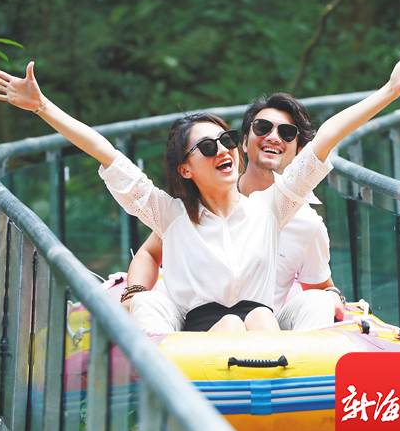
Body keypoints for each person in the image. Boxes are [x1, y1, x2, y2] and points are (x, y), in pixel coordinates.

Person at [0, 50, 400, 332]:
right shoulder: (170, 214)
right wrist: (43, 108)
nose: (223, 149)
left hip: (263, 324)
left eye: (225, 140)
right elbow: (107, 155)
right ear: (185, 169)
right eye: (208, 147)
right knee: (214, 320)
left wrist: (389, 91)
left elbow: (324, 139)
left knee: (264, 317)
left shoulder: (272, 207)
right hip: (201, 331)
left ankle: (294, 399)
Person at [123, 93, 344, 333]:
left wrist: (332, 295)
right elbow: (151, 251)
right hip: (204, 327)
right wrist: (134, 293)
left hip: (268, 325)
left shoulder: (306, 224)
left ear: (301, 152)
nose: (273, 137)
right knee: (228, 324)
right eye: (263, 127)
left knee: (271, 314)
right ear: (244, 142)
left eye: (287, 133)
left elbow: (320, 286)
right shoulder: (205, 199)